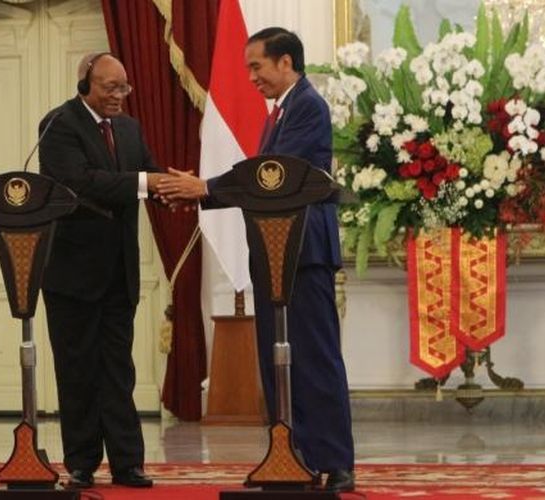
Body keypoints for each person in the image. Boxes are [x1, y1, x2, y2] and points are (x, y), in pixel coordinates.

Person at [157, 28, 355, 492]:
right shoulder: (279, 113)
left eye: (256, 67)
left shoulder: (308, 106)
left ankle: (335, 461)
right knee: (280, 360)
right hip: (275, 253)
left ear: (285, 63)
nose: (251, 78)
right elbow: (264, 180)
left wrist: (204, 188)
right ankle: (293, 454)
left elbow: (274, 176)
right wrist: (203, 190)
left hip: (302, 252)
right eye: (247, 68)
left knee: (315, 358)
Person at [38, 52, 170, 489]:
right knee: (77, 369)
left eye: (124, 88)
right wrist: (146, 183)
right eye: (110, 87)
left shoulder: (129, 128)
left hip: (119, 272)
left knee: (119, 368)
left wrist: (172, 186)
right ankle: (81, 462)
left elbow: (145, 173)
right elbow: (80, 182)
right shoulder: (59, 124)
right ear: (84, 85)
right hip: (72, 273)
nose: (118, 96)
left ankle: (128, 463)